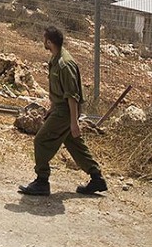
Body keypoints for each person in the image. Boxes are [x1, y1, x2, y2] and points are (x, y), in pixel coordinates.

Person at [18, 26, 107, 197]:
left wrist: (74, 122)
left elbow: (72, 96)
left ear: (49, 42)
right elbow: (59, 90)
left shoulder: (64, 64)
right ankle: (96, 177)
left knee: (41, 140)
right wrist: (52, 108)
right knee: (74, 143)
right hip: (60, 109)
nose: (43, 42)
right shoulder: (56, 59)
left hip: (66, 111)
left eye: (44, 39)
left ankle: (42, 181)